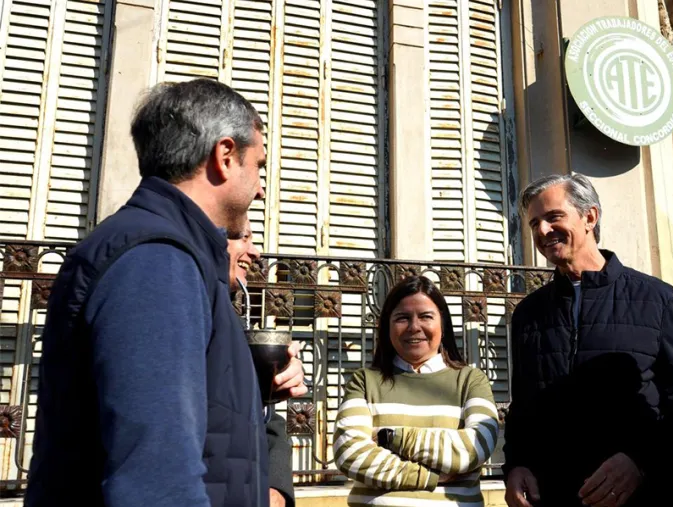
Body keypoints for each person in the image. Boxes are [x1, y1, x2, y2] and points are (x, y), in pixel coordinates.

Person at [25, 79, 301, 506]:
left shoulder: (180, 257)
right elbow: (155, 480)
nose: (261, 188)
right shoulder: (156, 260)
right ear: (225, 157)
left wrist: (253, 388)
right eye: (259, 165)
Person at [503, 173, 673, 507]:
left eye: (553, 217)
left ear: (589, 217)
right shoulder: (528, 314)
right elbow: (522, 408)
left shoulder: (659, 301)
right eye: (535, 223)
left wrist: (641, 461)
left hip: (644, 498)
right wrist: (516, 465)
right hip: (554, 497)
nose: (542, 231)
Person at [333, 275, 500, 506]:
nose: (414, 327)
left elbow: (474, 448)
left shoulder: (471, 380)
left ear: (442, 323)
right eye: (402, 318)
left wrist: (390, 437)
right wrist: (429, 476)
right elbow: (350, 454)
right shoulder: (364, 381)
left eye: (425, 317)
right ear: (387, 326)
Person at [226, 218, 307, 507]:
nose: (256, 251)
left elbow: (267, 421)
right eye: (242, 237)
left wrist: (276, 487)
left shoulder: (231, 320)